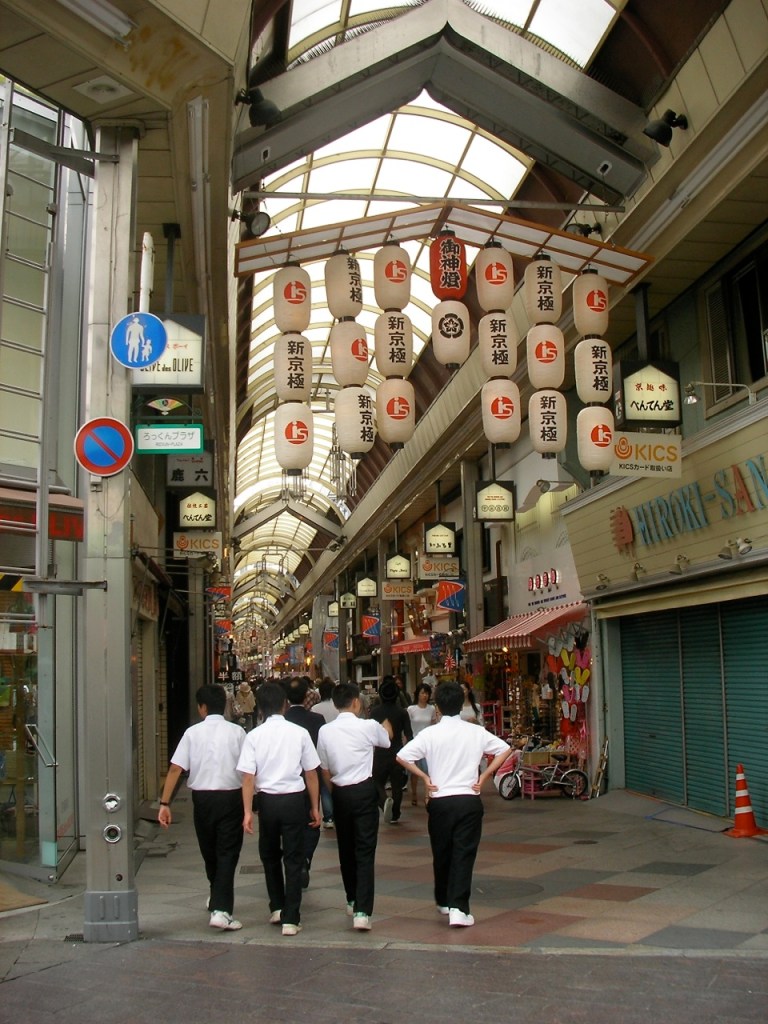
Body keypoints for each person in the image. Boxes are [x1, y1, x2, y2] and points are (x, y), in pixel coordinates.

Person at [397, 681, 512, 928]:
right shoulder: (475, 731)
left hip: (439, 801)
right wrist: (484, 776)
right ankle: (459, 907)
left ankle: (443, 900)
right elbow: (504, 750)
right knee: (464, 853)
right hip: (468, 799)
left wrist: (425, 778)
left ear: (437, 705)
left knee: (442, 851)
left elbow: (403, 756)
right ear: (461, 704)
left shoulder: (430, 733)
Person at [157, 683, 246, 931]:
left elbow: (176, 768)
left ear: (202, 708)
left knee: (210, 851)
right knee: (227, 852)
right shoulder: (237, 732)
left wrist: (165, 803)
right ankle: (221, 909)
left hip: (203, 799)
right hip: (231, 797)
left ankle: (217, 899)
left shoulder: (192, 733)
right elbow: (248, 770)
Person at [238, 681, 322, 936]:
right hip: (295, 800)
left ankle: (276, 906)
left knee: (270, 854)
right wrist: (315, 807)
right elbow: (311, 773)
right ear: (285, 704)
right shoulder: (299, 733)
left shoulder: (254, 736)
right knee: (294, 858)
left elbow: (248, 778)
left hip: (268, 802)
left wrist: (247, 812)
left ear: (260, 708)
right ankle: (291, 918)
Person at [316, 682, 390, 931]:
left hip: (340, 792)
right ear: (357, 702)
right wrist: (387, 728)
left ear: (336, 704)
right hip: (364, 790)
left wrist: (333, 789)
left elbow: (323, 768)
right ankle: (362, 911)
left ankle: (351, 898)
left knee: (345, 848)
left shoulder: (325, 731)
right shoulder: (367, 726)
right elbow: (386, 740)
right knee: (365, 850)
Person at [283, 675, 325, 885]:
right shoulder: (317, 720)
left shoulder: (282, 722)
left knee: (289, 825)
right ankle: (305, 857)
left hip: (286, 780)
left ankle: (294, 859)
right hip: (311, 777)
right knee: (312, 821)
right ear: (307, 694)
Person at [369, 676, 413, 824]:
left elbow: (371, 734)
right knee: (397, 784)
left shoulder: (374, 712)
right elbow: (409, 734)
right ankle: (395, 813)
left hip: (380, 752)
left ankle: (383, 801)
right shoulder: (402, 712)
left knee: (376, 781)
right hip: (397, 751)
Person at [406, 682, 437, 806]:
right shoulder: (411, 709)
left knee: (428, 770)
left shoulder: (432, 709)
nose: (425, 696)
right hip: (414, 742)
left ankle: (426, 795)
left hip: (428, 743)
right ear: (417, 694)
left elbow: (434, 725)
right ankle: (414, 793)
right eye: (422, 693)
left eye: (427, 693)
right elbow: (407, 728)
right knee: (414, 771)